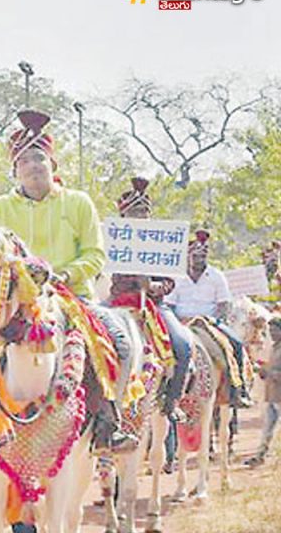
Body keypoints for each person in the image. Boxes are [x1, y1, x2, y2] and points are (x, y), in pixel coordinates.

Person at [0, 109, 134, 455]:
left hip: (71, 298)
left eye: (39, 157)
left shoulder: (78, 203)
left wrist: (63, 275)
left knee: (120, 341)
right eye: (24, 160)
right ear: (15, 170)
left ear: (53, 164)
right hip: (16, 302)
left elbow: (95, 255)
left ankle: (108, 419)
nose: (33, 165)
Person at [107, 177, 192, 422]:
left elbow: (169, 281)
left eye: (145, 211)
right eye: (136, 211)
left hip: (154, 305)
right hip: (118, 305)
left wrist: (154, 287)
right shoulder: (113, 238)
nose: (141, 216)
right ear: (124, 215)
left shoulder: (160, 241)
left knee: (183, 344)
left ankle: (171, 400)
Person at [163, 229, 253, 408]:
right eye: (196, 256)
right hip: (181, 322)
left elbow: (224, 304)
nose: (199, 260)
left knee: (236, 343)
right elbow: (170, 305)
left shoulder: (216, 276)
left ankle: (238, 390)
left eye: (203, 256)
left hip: (208, 322)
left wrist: (213, 319)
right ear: (188, 256)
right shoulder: (177, 277)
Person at [245, 317, 281, 467]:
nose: (272, 334)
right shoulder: (274, 348)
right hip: (273, 394)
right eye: (270, 330)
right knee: (268, 428)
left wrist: (269, 373)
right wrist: (262, 371)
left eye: (275, 330)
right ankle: (260, 455)